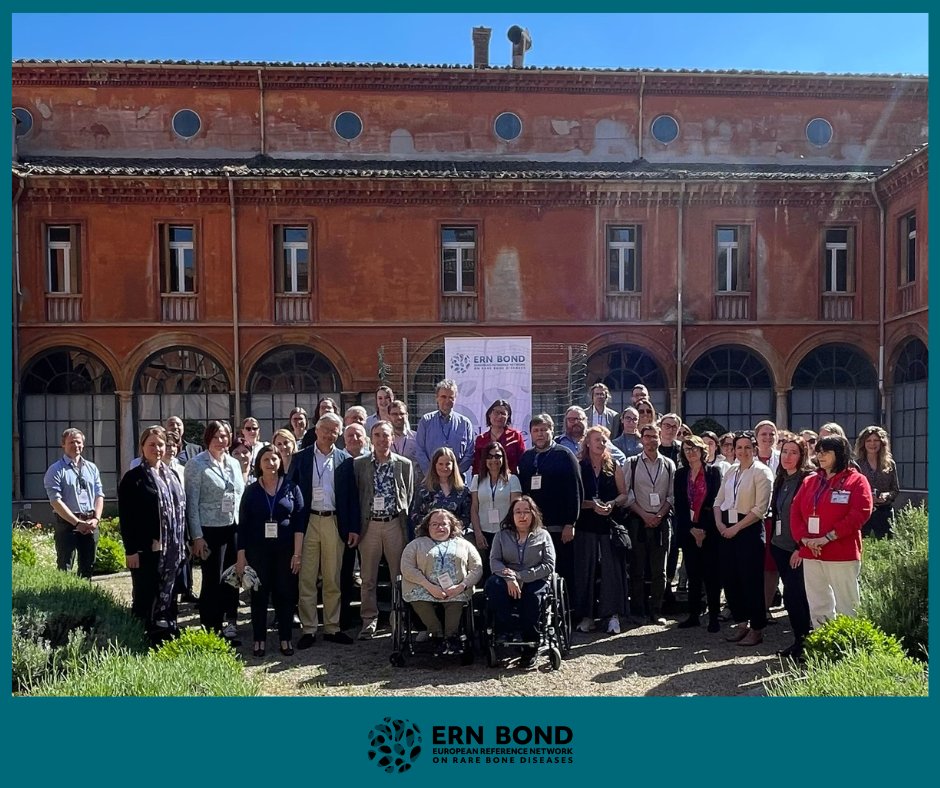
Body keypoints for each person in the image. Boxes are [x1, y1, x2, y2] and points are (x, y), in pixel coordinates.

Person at [790, 435, 873, 628]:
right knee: (818, 603)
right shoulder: (810, 480)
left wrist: (827, 538)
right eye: (818, 451)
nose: (820, 455)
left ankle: (849, 647)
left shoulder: (857, 480)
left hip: (841, 551)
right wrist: (805, 539)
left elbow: (859, 513)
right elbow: (795, 511)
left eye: (826, 451)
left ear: (840, 454)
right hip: (811, 550)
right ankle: (824, 645)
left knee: (848, 605)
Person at [289, 412, 356, 648]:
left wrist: (353, 528)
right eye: (325, 430)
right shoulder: (301, 458)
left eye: (334, 430)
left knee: (332, 577)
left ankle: (332, 627)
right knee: (307, 578)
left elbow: (351, 497)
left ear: (339, 433)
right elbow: (291, 492)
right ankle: (308, 629)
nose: (329, 434)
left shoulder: (345, 460)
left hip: (333, 521)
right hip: (307, 522)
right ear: (316, 431)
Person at [118, 425, 187, 642]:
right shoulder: (133, 478)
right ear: (142, 447)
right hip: (146, 548)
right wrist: (131, 550)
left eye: (160, 444)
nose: (157, 449)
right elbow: (127, 518)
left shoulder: (172, 474)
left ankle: (165, 628)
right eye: (152, 445)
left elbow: (180, 511)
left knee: (169, 590)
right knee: (145, 593)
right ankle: (141, 635)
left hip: (172, 548)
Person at [236, 445, 306, 658]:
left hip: (285, 551)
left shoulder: (292, 488)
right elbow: (243, 526)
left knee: (285, 595)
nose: (271, 463)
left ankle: (285, 638)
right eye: (266, 459)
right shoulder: (251, 491)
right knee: (259, 595)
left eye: (274, 459)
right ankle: (259, 639)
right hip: (258, 552)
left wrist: (297, 554)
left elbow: (299, 524)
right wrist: (241, 556)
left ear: (280, 462)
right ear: (259, 463)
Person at [184, 420, 245, 642]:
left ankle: (230, 621)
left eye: (225, 436)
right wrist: (196, 536)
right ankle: (211, 625)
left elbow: (239, 495)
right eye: (217, 436)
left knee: (233, 577)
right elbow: (192, 503)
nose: (222, 440)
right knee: (213, 579)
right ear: (208, 437)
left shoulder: (233, 463)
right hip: (210, 530)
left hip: (233, 527)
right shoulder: (196, 464)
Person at [354, 420, 415, 640]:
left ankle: (396, 619)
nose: (382, 439)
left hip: (393, 523)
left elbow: (408, 495)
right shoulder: (359, 464)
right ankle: (369, 621)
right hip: (369, 525)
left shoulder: (404, 464)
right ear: (372, 438)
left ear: (392, 438)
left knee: (397, 576)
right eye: (377, 435)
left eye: (385, 435)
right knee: (368, 578)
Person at [713, 430, 774, 647]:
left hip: (748, 529)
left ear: (755, 449)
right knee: (731, 579)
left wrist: (736, 528)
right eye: (739, 447)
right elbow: (718, 500)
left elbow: (760, 509)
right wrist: (720, 524)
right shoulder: (731, 471)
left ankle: (757, 629)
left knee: (751, 581)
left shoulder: (762, 472)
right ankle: (741, 623)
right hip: (727, 529)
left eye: (748, 447)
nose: (743, 451)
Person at [485, 496, 556, 669]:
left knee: (532, 597)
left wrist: (521, 576)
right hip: (506, 578)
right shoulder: (501, 536)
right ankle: (505, 631)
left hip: (535, 578)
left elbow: (549, 565)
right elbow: (495, 561)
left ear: (533, 514)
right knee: (494, 587)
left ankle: (531, 643)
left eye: (526, 512)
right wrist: (509, 578)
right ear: (512, 515)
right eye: (518, 512)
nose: (522, 516)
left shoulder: (543, 535)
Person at [400, 508, 483, 655]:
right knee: (419, 599)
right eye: (435, 524)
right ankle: (436, 635)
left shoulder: (464, 544)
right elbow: (406, 567)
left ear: (451, 526)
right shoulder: (416, 544)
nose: (440, 527)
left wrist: (462, 586)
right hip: (423, 587)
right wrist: (429, 586)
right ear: (427, 526)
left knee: (456, 601)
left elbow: (477, 567)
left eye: (444, 524)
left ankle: (451, 637)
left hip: (455, 589)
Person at [574, 426, 630, 635]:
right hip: (586, 526)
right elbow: (574, 498)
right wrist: (591, 505)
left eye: (605, 440)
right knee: (585, 571)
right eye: (597, 440)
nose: (601, 443)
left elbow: (624, 494)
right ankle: (587, 616)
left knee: (611, 571)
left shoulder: (613, 465)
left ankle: (612, 615)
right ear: (588, 442)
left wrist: (612, 504)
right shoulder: (579, 466)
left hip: (608, 526)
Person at [516, 414, 583, 586]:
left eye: (544, 430)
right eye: (536, 430)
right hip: (534, 528)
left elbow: (575, 491)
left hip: (561, 528)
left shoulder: (565, 455)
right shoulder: (526, 458)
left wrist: (571, 523)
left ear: (552, 431)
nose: (540, 434)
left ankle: (569, 610)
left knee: (563, 570)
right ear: (530, 433)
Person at [623, 424, 675, 625]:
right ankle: (638, 610)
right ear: (641, 439)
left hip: (661, 522)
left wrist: (660, 515)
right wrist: (644, 515)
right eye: (648, 436)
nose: (652, 440)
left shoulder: (669, 464)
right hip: (638, 521)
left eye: (655, 436)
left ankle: (656, 609)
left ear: (660, 438)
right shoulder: (632, 463)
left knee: (659, 570)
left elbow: (671, 495)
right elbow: (627, 494)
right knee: (637, 568)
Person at [769, 434, 814, 660]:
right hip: (780, 545)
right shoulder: (781, 478)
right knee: (791, 597)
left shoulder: (808, 479)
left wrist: (801, 547)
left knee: (799, 596)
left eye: (794, 452)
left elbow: (811, 517)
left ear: (802, 455)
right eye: (785, 451)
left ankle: (808, 643)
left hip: (798, 549)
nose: (788, 457)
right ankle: (798, 641)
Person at [673, 435, 723, 631]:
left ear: (703, 451)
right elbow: (680, 505)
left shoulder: (713, 473)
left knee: (711, 576)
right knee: (693, 575)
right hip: (689, 531)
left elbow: (715, 503)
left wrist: (704, 529)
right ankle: (693, 615)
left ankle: (713, 617)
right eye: (687, 449)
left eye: (694, 448)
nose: (691, 452)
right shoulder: (680, 474)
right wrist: (692, 529)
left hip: (709, 531)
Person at [44, 427, 105, 579]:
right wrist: (77, 523)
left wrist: (96, 519)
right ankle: (64, 600)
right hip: (67, 525)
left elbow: (99, 495)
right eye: (71, 442)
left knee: (88, 566)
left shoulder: (92, 468)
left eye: (78, 442)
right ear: (63, 445)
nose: (75, 445)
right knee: (65, 566)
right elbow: (56, 502)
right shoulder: (56, 470)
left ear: (83, 445)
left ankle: (85, 598)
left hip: (90, 522)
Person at [469, 441, 523, 569]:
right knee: (485, 570)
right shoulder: (477, 479)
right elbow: (474, 508)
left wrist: (511, 533)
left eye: (498, 456)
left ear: (503, 458)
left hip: (505, 533)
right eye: (490, 456)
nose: (494, 459)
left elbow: (516, 509)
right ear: (485, 459)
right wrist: (477, 533)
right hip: (483, 533)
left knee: (504, 569)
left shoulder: (513, 480)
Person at [415, 378, 475, 478]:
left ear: (455, 399)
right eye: (443, 397)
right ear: (437, 398)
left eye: (451, 397)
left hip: (457, 481)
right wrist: (432, 474)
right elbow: (420, 450)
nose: (447, 401)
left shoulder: (465, 423)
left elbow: (469, 453)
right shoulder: (426, 421)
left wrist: (455, 473)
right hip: (431, 481)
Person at [411, 447, 472, 539]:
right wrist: (434, 528)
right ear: (434, 465)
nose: (444, 467)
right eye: (440, 464)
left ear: (453, 466)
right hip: (428, 538)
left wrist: (450, 530)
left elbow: (466, 518)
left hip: (454, 538)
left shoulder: (463, 491)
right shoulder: (423, 489)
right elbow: (415, 514)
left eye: (448, 464)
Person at [854, 426, 900, 539]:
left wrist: (886, 495)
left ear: (882, 443)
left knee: (887, 548)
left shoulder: (890, 464)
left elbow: (895, 490)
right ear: (863, 443)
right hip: (863, 513)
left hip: (884, 512)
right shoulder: (856, 465)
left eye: (876, 440)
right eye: (868, 441)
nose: (872, 444)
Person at [471, 399, 526, 476]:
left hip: (510, 481)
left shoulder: (516, 436)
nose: (499, 416)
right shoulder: (481, 439)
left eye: (503, 413)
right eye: (496, 412)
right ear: (490, 414)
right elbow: (476, 466)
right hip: (487, 482)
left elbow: (523, 463)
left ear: (508, 417)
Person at [388, 399, 421, 468]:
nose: (399, 417)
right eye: (395, 414)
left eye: (402, 414)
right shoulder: (384, 438)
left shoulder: (416, 438)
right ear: (389, 416)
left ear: (407, 415)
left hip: (411, 477)